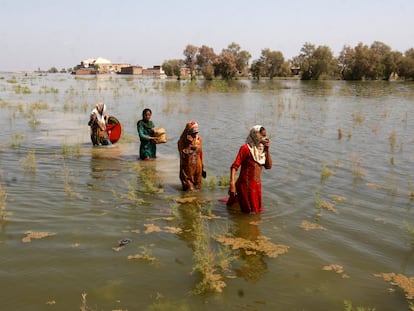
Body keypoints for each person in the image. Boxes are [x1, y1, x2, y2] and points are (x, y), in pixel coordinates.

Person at [227, 125, 272, 214]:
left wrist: (267, 150)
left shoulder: (262, 150)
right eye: (262, 136)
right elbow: (234, 166)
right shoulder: (246, 148)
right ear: (255, 135)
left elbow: (268, 166)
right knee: (247, 214)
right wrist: (232, 184)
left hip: (257, 186)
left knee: (255, 212)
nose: (265, 138)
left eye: (265, 135)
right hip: (245, 186)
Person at [177, 121, 206, 191]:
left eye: (196, 132)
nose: (194, 134)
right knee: (189, 190)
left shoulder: (199, 139)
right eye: (193, 132)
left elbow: (200, 153)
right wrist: (189, 145)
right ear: (188, 131)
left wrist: (203, 167)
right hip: (186, 170)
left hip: (197, 168)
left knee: (198, 189)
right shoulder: (182, 141)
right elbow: (183, 154)